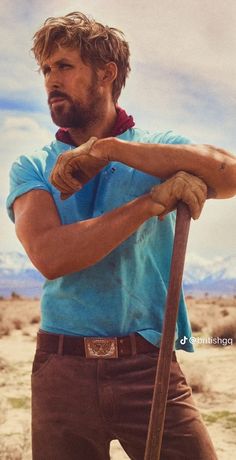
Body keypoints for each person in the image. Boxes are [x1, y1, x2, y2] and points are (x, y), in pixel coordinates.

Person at [6, 11, 236, 460]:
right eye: (47, 69)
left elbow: (229, 174)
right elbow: (50, 256)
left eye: (65, 66)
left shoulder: (156, 148)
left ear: (106, 73)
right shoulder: (32, 165)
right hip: (62, 369)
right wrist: (150, 202)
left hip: (148, 367)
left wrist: (110, 150)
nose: (52, 79)